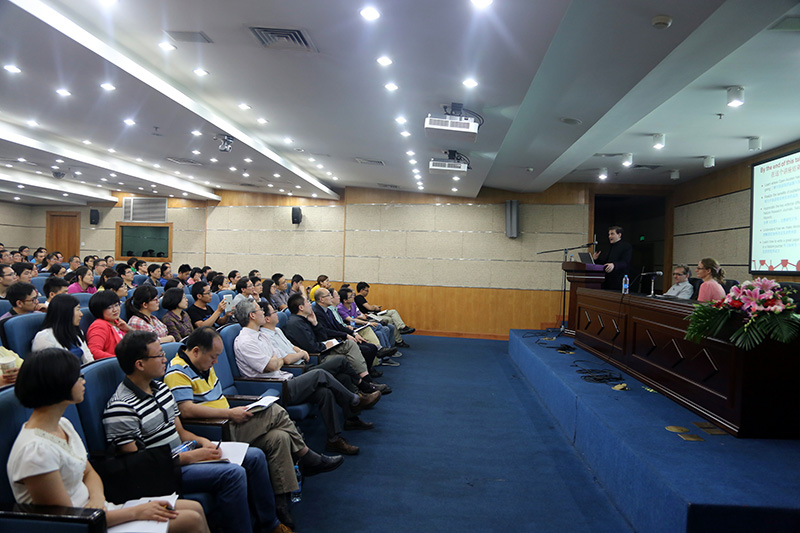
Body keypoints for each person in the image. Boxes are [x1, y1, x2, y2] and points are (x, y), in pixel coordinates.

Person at [104, 331, 293, 533]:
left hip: (183, 453)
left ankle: (270, 524)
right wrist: (190, 457)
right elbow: (136, 466)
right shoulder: (121, 408)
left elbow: (180, 432)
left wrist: (202, 442)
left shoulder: (160, 389)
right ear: (140, 364)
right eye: (159, 355)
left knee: (255, 456)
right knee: (233, 474)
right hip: (164, 471)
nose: (164, 359)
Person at [8, 348, 208, 532]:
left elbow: (89, 473)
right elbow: (70, 521)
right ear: (57, 385)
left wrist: (97, 500)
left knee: (195, 508)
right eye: (77, 377)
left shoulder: (63, 424)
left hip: (100, 510)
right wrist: (136, 512)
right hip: (85, 525)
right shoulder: (36, 451)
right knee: (191, 520)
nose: (83, 381)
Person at [164, 327, 344, 528]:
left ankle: (279, 505)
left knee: (279, 437)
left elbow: (217, 398)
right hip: (215, 430)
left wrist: (235, 411)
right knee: (275, 412)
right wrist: (230, 414)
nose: (216, 362)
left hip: (228, 421)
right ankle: (306, 456)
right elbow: (186, 410)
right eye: (213, 357)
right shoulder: (177, 372)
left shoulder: (202, 364)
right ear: (196, 351)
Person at [236, 300, 387, 427]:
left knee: (330, 388)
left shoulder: (261, 336)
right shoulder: (246, 341)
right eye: (260, 310)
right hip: (277, 386)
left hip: (288, 376)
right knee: (323, 371)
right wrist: (280, 360)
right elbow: (275, 364)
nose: (262, 313)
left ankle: (337, 436)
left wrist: (278, 360)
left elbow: (279, 359)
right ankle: (356, 399)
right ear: (252, 315)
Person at [32, 293, 93, 363]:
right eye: (77, 309)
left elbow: (89, 359)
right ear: (66, 312)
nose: (81, 314)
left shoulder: (76, 332)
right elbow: (47, 367)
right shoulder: (44, 337)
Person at [355, 281, 414, 347]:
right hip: (370, 316)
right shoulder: (359, 297)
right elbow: (369, 308)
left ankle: (402, 327)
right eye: (366, 291)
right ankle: (398, 340)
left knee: (393, 312)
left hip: (373, 314)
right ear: (361, 290)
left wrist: (374, 307)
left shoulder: (361, 298)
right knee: (391, 319)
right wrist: (375, 307)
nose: (367, 292)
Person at [86, 290, 129, 360]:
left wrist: (129, 329)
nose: (115, 310)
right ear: (99, 310)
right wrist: (119, 360)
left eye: (116, 305)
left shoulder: (118, 322)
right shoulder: (98, 326)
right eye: (109, 307)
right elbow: (94, 352)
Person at [592, 226, 633, 291]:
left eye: (612, 234)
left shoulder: (626, 246)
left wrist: (614, 265)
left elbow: (625, 262)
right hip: (606, 279)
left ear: (619, 235)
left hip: (619, 279)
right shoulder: (609, 247)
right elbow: (605, 263)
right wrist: (596, 259)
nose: (609, 236)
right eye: (609, 234)